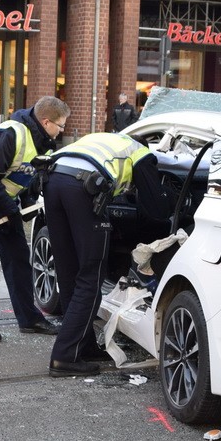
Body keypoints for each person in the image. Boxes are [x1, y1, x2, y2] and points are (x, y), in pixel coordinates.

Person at [43, 132, 173, 377]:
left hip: (53, 180)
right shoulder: (140, 152)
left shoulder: (107, 141)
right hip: (83, 187)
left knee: (69, 272)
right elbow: (157, 208)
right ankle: (64, 357)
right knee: (91, 276)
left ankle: (84, 345)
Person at [0, 96, 66, 342]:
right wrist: (10, 208)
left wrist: (28, 203)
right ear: (46, 121)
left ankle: (30, 320)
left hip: (4, 205)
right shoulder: (9, 135)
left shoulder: (42, 141)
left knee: (19, 261)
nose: (63, 131)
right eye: (60, 125)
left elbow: (27, 177)